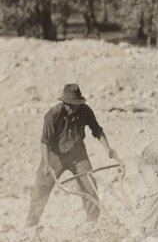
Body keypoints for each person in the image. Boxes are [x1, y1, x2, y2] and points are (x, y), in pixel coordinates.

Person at [25, 83, 118, 228]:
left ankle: (92, 224)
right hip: (55, 156)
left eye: (75, 105)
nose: (71, 108)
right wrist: (46, 163)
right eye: (68, 105)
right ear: (63, 102)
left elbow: (97, 130)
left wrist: (108, 148)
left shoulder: (85, 111)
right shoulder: (52, 115)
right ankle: (30, 226)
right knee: (41, 187)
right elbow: (45, 142)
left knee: (90, 185)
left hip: (78, 155)